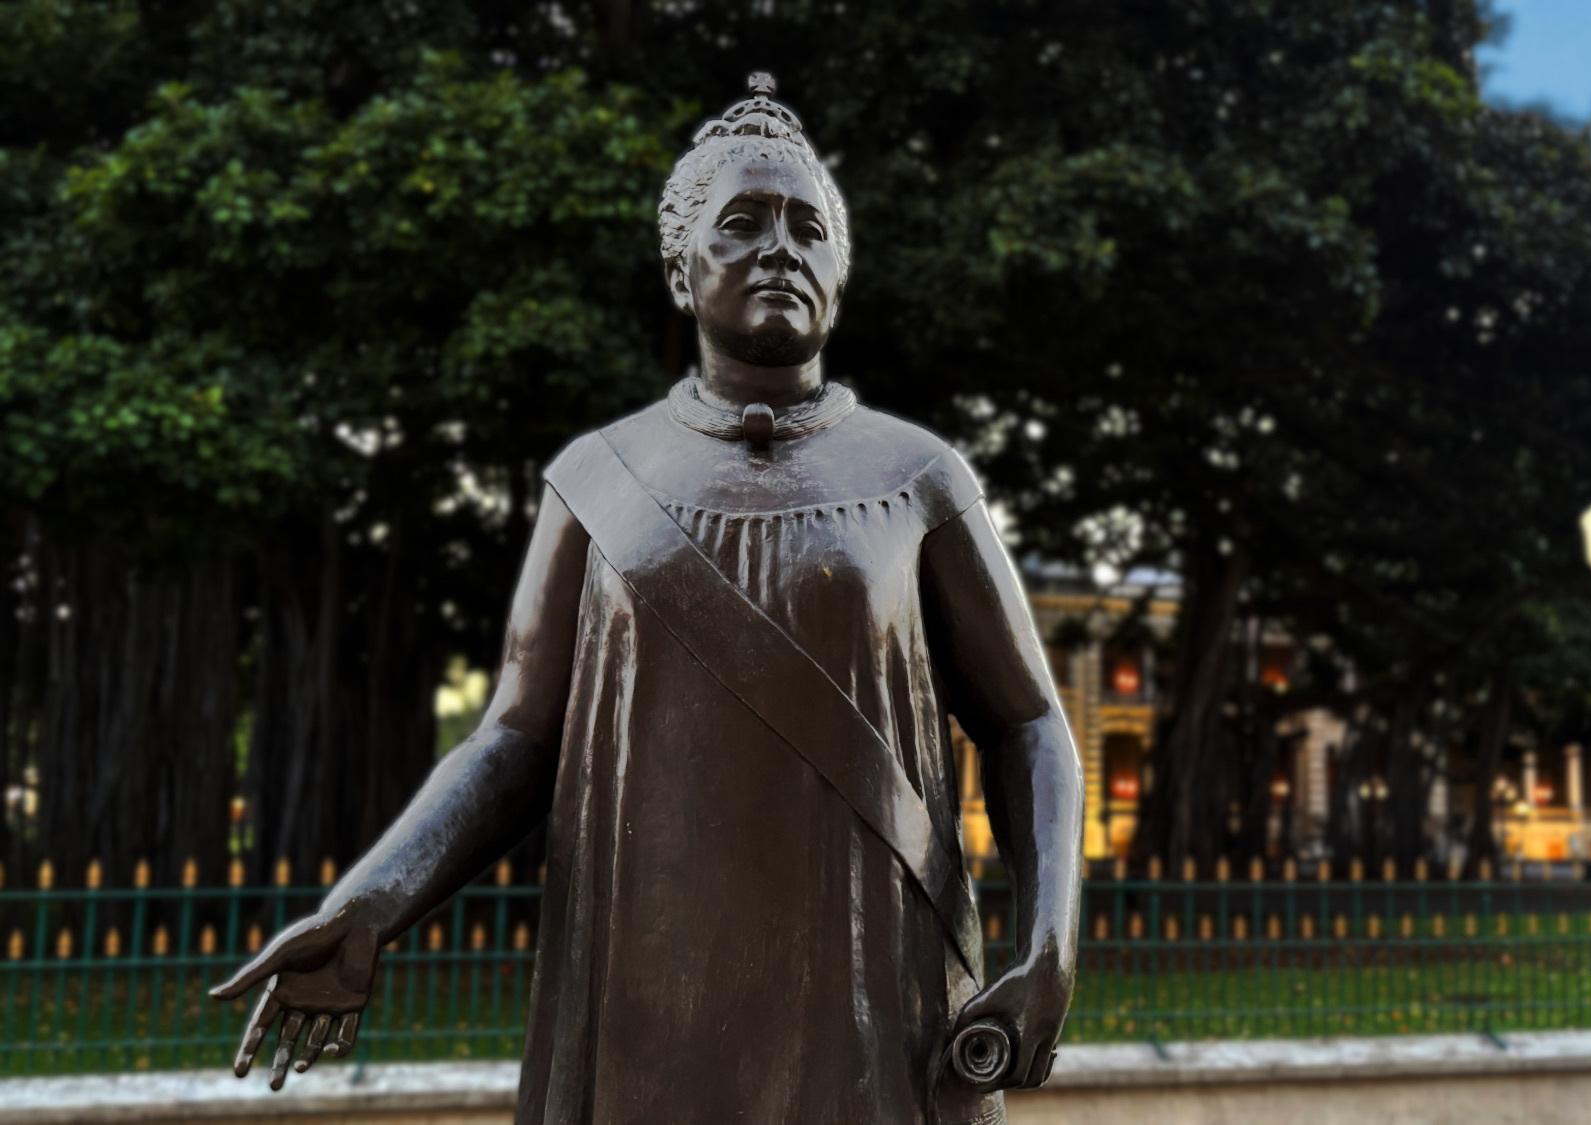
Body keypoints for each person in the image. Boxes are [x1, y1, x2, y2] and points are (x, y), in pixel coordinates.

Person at [211, 74, 1083, 1125]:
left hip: (868, 979)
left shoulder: (920, 476)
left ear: (839, 272)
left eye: (809, 228)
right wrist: (370, 904)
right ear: (681, 269)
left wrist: (1048, 945)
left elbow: (1028, 719)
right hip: (642, 983)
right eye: (742, 222)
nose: (780, 249)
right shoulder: (597, 479)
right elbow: (513, 742)